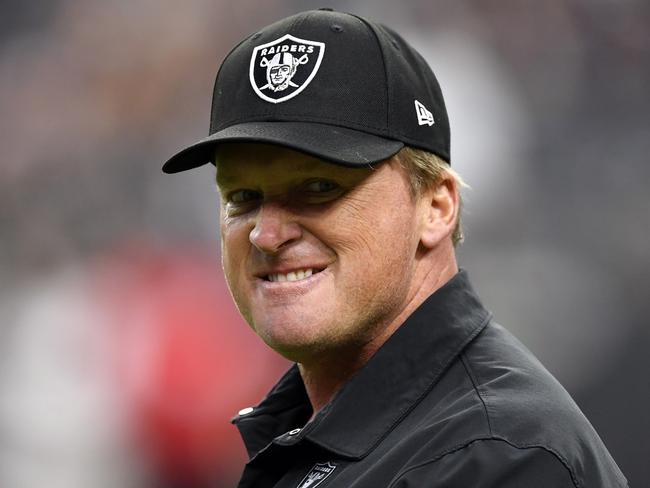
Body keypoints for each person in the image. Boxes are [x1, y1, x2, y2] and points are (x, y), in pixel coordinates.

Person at [162, 8, 627, 488]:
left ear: (436, 207)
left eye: (319, 187)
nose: (266, 233)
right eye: (243, 197)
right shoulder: (342, 434)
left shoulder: (494, 457)